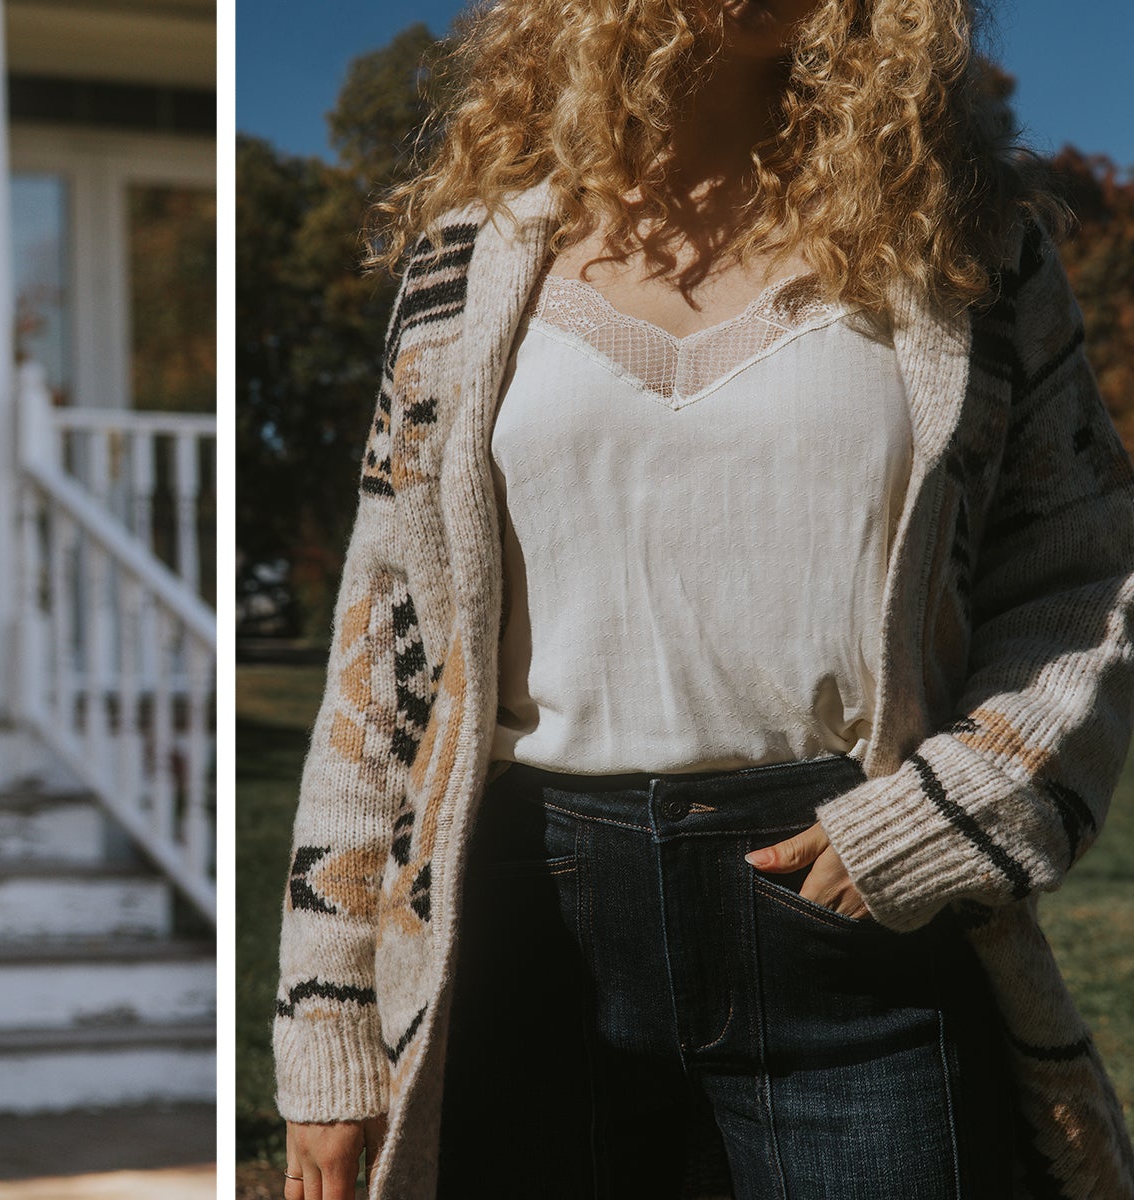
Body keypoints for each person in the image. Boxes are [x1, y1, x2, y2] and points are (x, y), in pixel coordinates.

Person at [271, 1, 1134, 1196]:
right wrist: (325, 1027)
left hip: (849, 913)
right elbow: (382, 645)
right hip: (523, 915)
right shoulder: (462, 269)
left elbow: (1084, 577)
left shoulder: (966, 249)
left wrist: (954, 808)